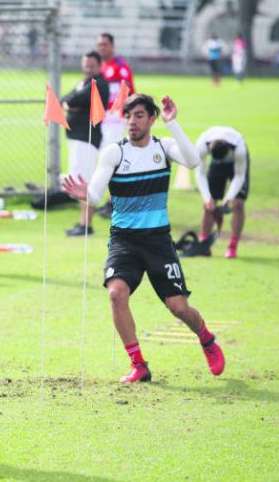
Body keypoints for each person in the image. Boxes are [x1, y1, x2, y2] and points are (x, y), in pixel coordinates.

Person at [61, 93, 226, 383]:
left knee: (178, 307)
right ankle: (139, 364)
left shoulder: (164, 147)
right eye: (129, 117)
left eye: (139, 116)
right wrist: (84, 194)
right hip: (124, 241)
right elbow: (96, 194)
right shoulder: (114, 153)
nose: (132, 122)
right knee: (116, 294)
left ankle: (206, 338)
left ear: (152, 119)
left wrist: (173, 122)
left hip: (158, 241)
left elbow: (192, 161)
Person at [60, 50, 109, 237]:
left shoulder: (99, 84)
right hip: (77, 139)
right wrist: (71, 104)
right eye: (86, 65)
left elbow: (74, 99)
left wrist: (72, 104)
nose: (88, 69)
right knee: (80, 180)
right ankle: (83, 223)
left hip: (87, 139)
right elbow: (65, 99)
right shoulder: (84, 82)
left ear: (99, 66)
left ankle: (86, 224)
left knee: (85, 181)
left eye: (91, 66)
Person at [94, 32, 136, 219]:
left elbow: (130, 94)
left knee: (114, 158)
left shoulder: (120, 68)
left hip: (116, 120)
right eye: (99, 45)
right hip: (103, 120)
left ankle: (114, 201)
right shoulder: (100, 66)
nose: (101, 48)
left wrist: (128, 116)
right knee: (105, 158)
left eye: (104, 44)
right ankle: (110, 200)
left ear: (112, 46)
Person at [194, 126, 250, 258]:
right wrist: (207, 197)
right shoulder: (202, 144)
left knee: (238, 204)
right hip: (217, 159)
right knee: (209, 204)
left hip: (237, 165)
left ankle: (232, 246)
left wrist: (229, 197)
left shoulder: (239, 148)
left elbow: (239, 176)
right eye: (217, 160)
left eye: (221, 160)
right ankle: (204, 244)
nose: (220, 162)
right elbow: (200, 173)